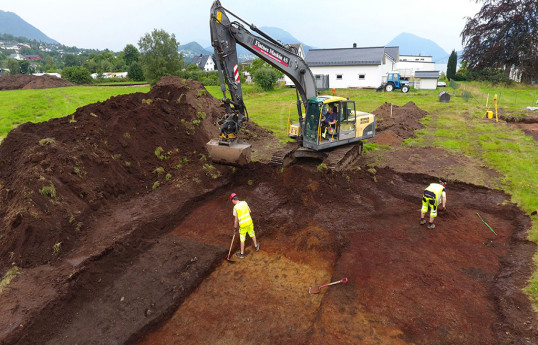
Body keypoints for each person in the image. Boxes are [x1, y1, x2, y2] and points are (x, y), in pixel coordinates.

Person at [230, 193, 259, 258]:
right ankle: (256, 246)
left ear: (233, 200)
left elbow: (235, 220)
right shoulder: (244, 202)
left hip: (243, 225)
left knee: (242, 239)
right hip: (249, 222)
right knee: (252, 233)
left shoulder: (235, 208)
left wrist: (235, 228)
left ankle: (242, 254)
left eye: (232, 201)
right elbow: (250, 211)